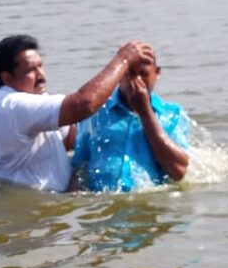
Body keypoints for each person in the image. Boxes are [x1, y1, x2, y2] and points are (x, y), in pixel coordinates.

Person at [0, 35, 154, 192]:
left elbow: (72, 139)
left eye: (40, 66)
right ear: (7, 78)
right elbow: (84, 104)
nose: (41, 75)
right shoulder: (12, 105)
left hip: (51, 202)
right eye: (30, 70)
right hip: (25, 206)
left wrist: (127, 117)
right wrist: (124, 59)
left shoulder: (35, 101)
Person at [72, 57, 190, 192]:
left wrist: (145, 111)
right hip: (102, 200)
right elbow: (79, 167)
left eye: (143, 74)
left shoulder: (171, 115)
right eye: (130, 74)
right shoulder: (96, 112)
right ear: (118, 75)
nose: (136, 81)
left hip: (149, 200)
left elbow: (179, 172)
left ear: (157, 73)